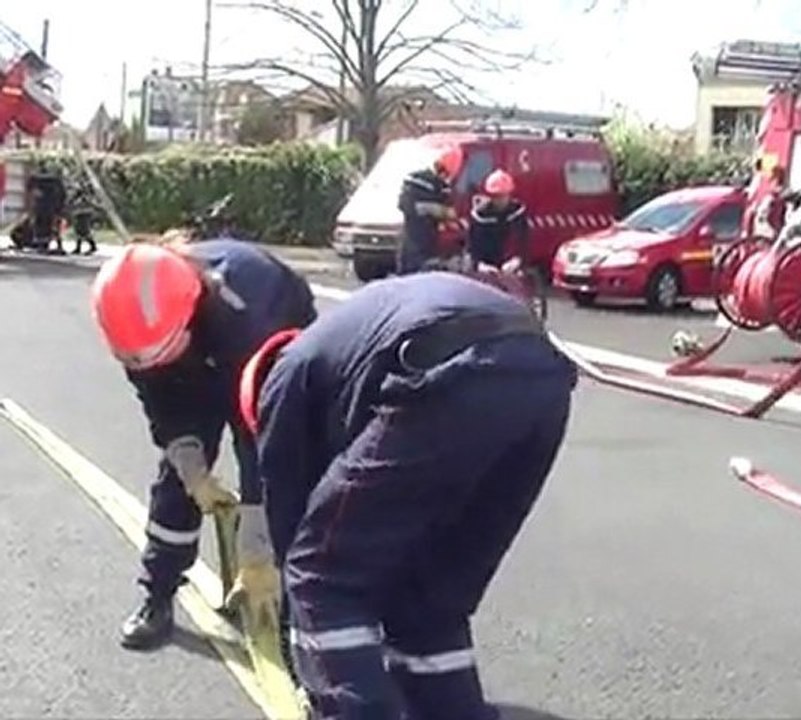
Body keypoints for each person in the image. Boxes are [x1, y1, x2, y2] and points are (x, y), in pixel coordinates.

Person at [238, 270, 577, 719]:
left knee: (321, 579)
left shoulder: (282, 381)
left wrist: (306, 662)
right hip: (542, 381)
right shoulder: (349, 347)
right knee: (428, 601)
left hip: (450, 369)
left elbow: (296, 530)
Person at [90, 237, 317, 649]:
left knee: (284, 485)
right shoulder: (138, 325)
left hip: (270, 352)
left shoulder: (249, 315)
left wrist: (256, 548)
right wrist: (192, 468)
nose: (155, 365)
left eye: (163, 353)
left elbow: (263, 441)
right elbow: (162, 404)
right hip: (199, 358)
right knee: (175, 485)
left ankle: (283, 604)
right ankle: (158, 593)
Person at [396, 146, 462, 274]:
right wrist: (438, 211)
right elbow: (407, 205)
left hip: (416, 242)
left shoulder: (419, 181)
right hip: (418, 244)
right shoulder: (430, 185)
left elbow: (405, 205)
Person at [467, 169, 529, 272]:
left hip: (511, 269)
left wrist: (518, 260)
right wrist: (480, 265)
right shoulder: (480, 216)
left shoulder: (517, 212)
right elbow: (471, 248)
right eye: (495, 196)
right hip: (487, 270)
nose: (500, 200)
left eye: (503, 196)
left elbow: (524, 243)